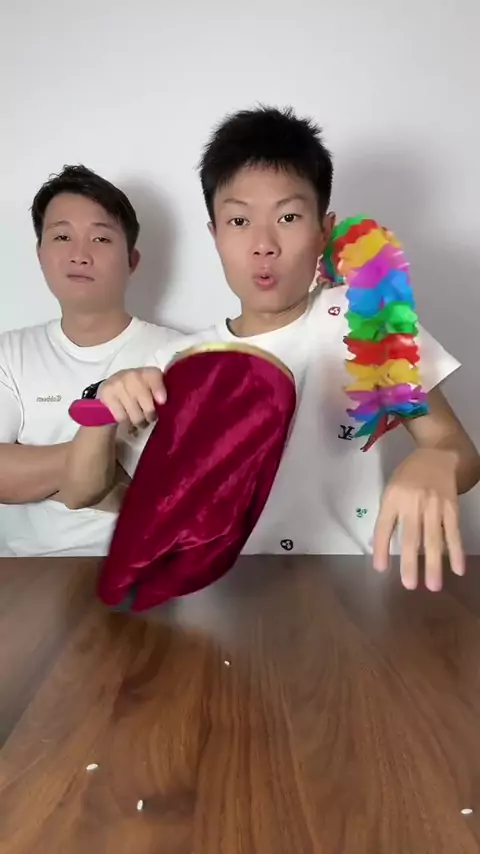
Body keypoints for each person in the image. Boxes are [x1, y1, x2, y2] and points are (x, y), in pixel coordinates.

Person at [60, 107, 480, 590]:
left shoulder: (368, 319)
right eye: (239, 220)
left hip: (355, 592)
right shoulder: (183, 364)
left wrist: (436, 460)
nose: (264, 245)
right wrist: (105, 406)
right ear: (215, 234)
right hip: (220, 597)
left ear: (323, 231)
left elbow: (458, 450)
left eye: (288, 217)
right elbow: (80, 491)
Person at [0, 165, 184, 556]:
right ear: (40, 254)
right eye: (62, 236)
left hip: (149, 568)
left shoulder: (180, 356)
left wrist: (35, 470)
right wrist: (108, 460)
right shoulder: (8, 354)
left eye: (101, 238)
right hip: (28, 572)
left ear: (132, 260)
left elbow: (191, 496)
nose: (80, 254)